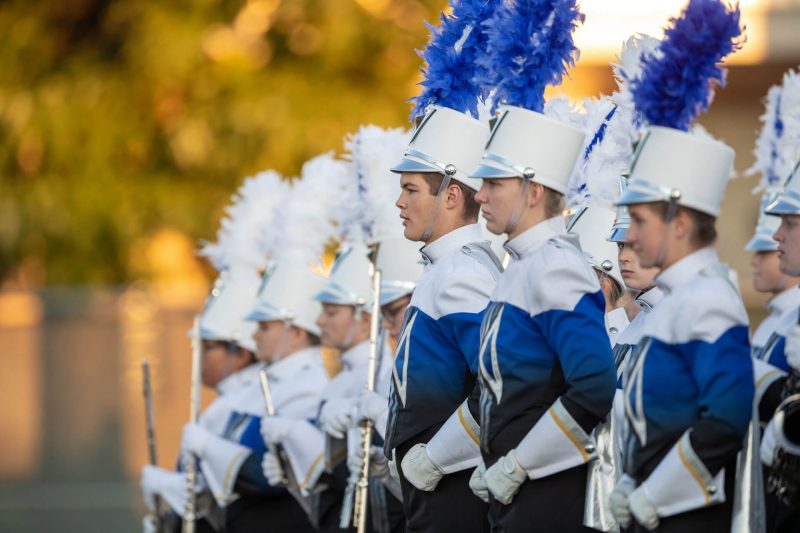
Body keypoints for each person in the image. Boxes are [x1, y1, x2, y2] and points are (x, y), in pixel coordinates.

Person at [141, 269, 262, 533]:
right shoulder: (226, 401)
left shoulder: (250, 401)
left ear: (240, 352)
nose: (199, 356)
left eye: (208, 348)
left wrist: (169, 486)